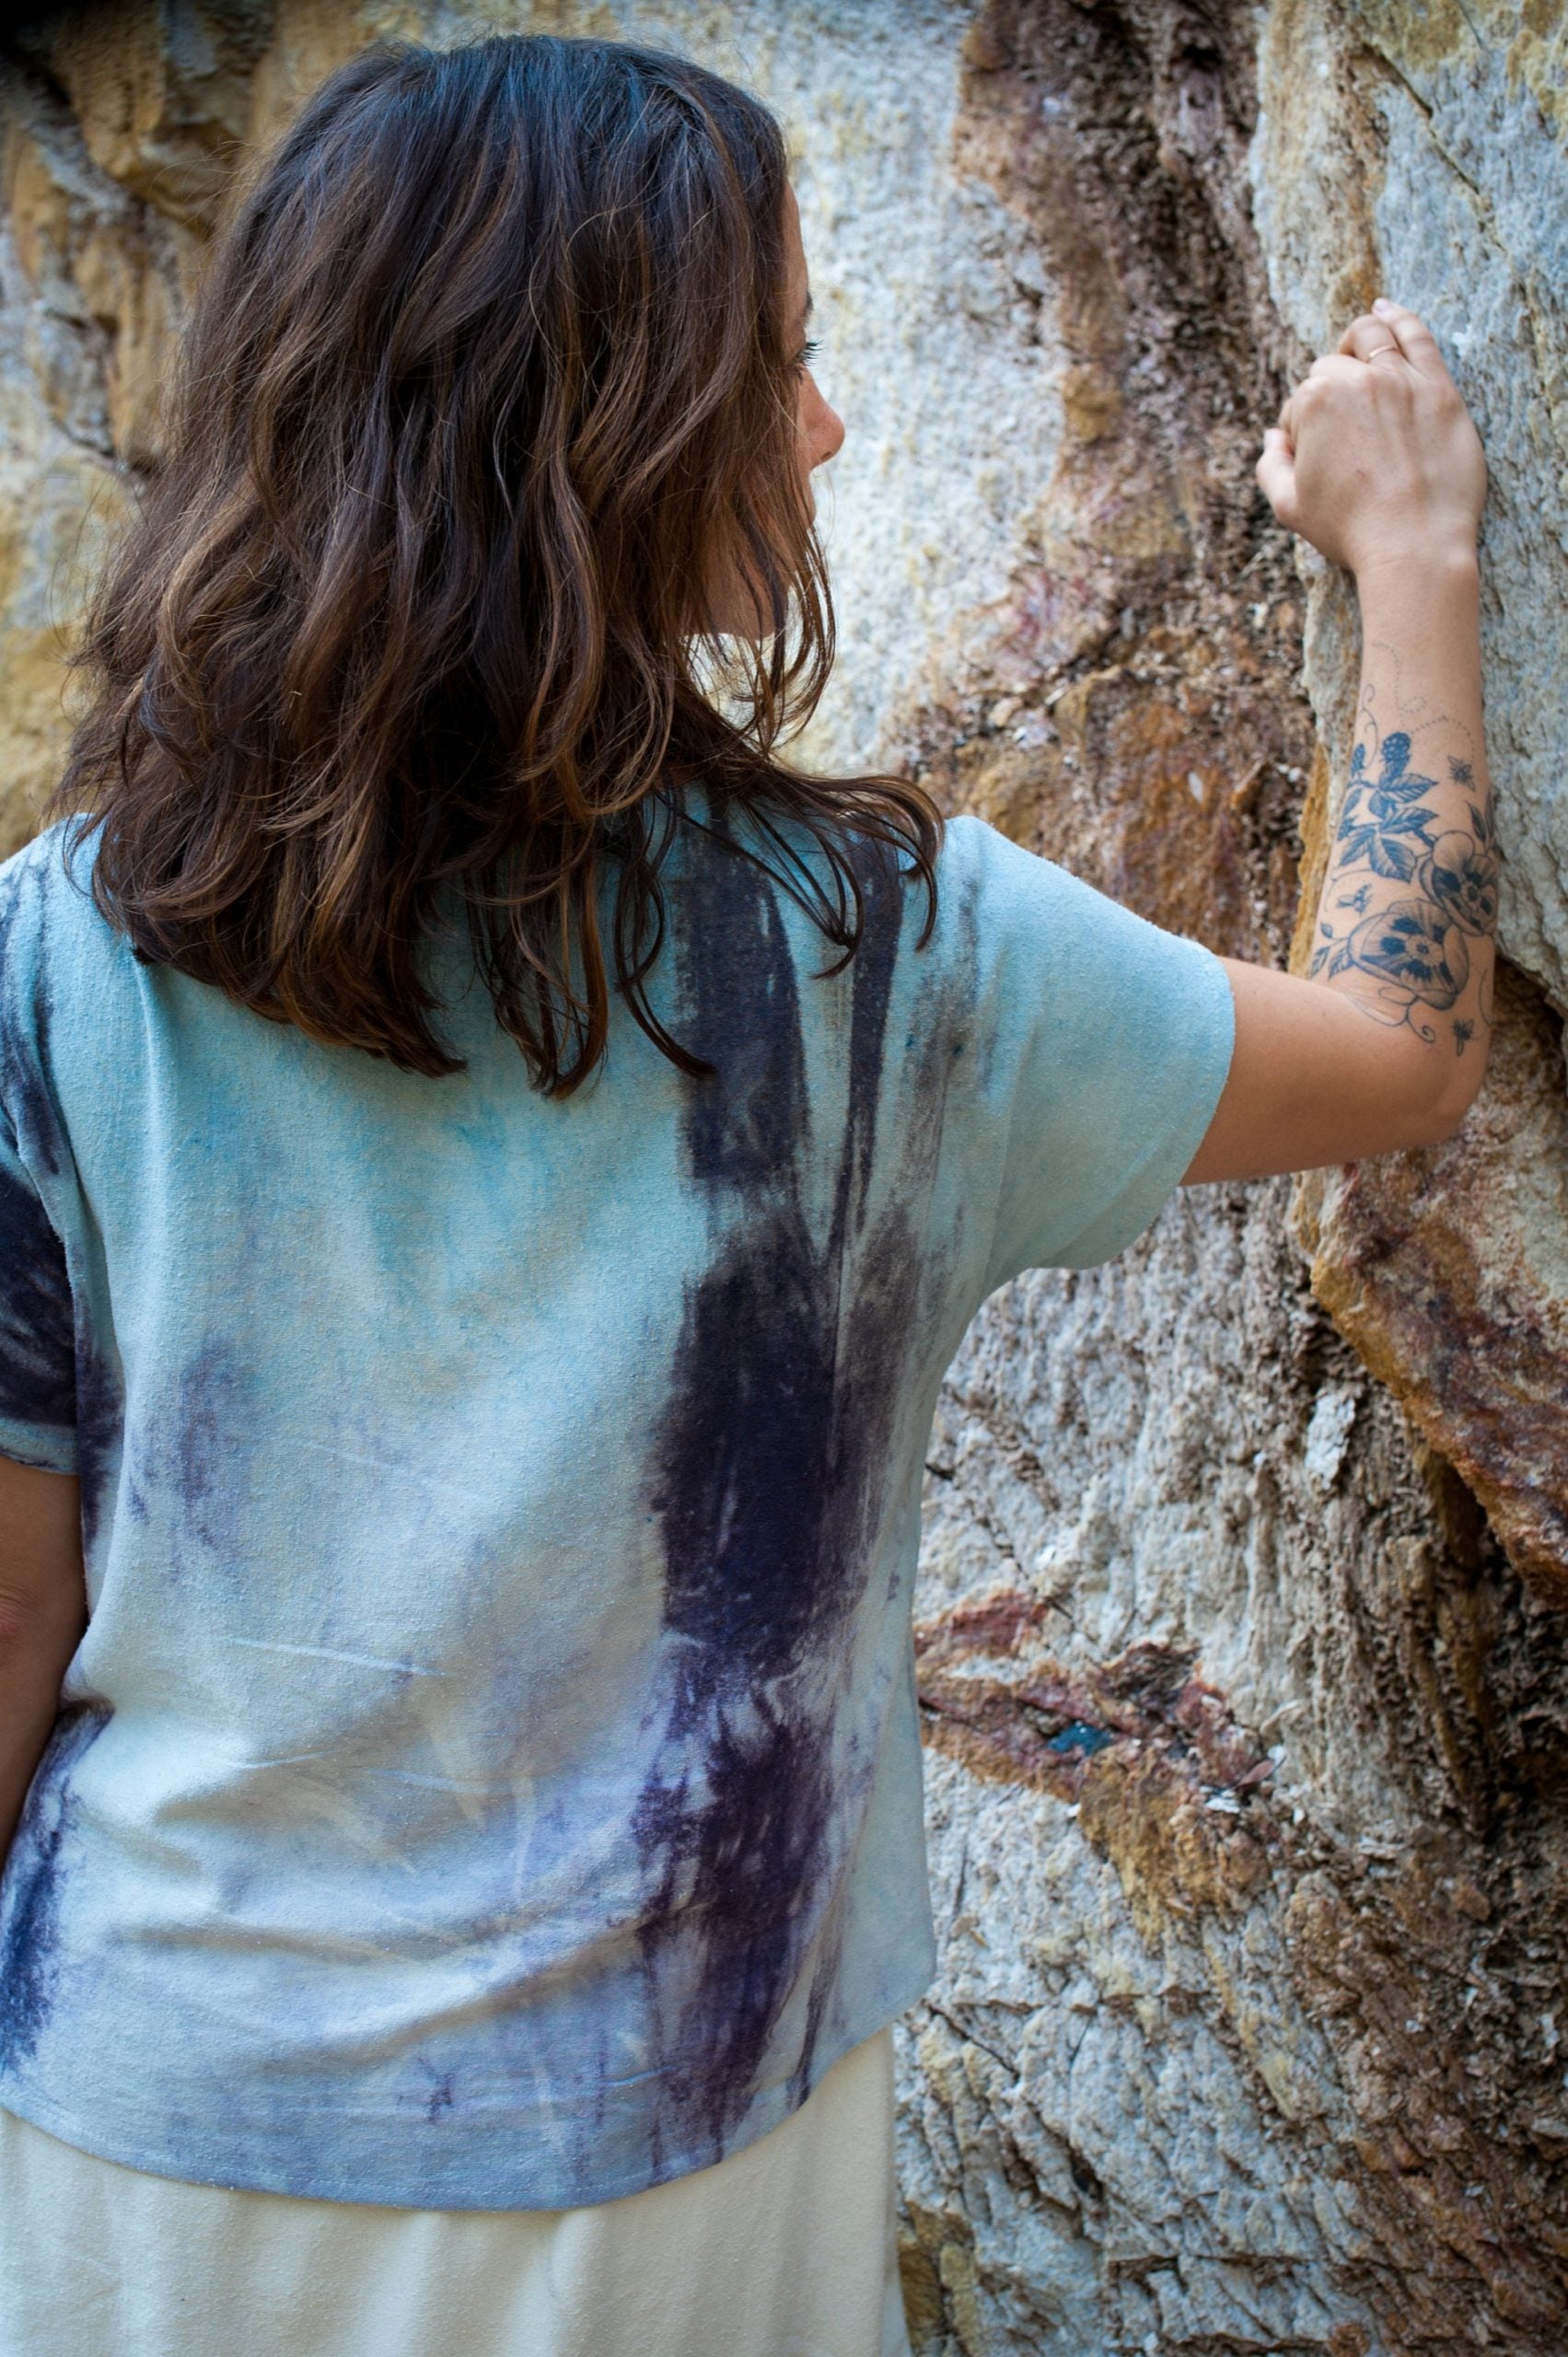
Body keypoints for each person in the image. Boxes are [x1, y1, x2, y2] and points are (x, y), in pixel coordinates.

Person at [0, 29, 1490, 2357]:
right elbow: (1402, 1043)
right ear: (585, 439)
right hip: (670, 2152)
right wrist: (1416, 558)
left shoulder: (50, 958)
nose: (823, 425)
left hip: (136, 2149)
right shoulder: (895, 952)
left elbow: (8, 1631)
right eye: (774, 363)